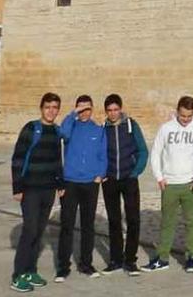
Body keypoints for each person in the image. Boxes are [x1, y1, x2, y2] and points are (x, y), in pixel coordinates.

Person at [10, 93, 64, 293]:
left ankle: (31, 270)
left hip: (48, 189)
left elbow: (57, 159)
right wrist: (17, 187)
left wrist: (60, 182)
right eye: (48, 106)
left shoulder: (57, 131)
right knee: (30, 230)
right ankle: (18, 275)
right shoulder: (31, 128)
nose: (51, 110)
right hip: (30, 189)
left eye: (55, 107)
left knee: (40, 230)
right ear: (41, 108)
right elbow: (18, 158)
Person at [143, 96, 193, 273]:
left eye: (189, 116)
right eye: (183, 115)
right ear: (177, 111)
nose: (186, 119)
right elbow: (155, 152)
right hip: (170, 183)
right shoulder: (166, 129)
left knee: (192, 222)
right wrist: (159, 177)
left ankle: (191, 257)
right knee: (167, 222)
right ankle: (162, 258)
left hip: (191, 184)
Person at [56, 95, 108, 282]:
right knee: (67, 224)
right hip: (70, 182)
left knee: (88, 225)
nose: (84, 112)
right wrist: (73, 114)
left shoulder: (97, 130)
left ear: (92, 109)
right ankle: (62, 267)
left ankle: (86, 264)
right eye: (81, 109)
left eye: (87, 109)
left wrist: (100, 174)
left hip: (90, 184)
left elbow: (103, 154)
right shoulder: (71, 126)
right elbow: (62, 133)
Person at [100, 94, 148, 277]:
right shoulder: (103, 129)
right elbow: (99, 153)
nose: (113, 113)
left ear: (120, 109)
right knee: (114, 221)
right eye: (109, 110)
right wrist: (102, 173)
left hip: (129, 178)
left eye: (115, 109)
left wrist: (135, 172)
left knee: (133, 219)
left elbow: (143, 150)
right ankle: (115, 259)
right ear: (106, 111)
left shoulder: (131, 126)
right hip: (110, 179)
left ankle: (130, 260)